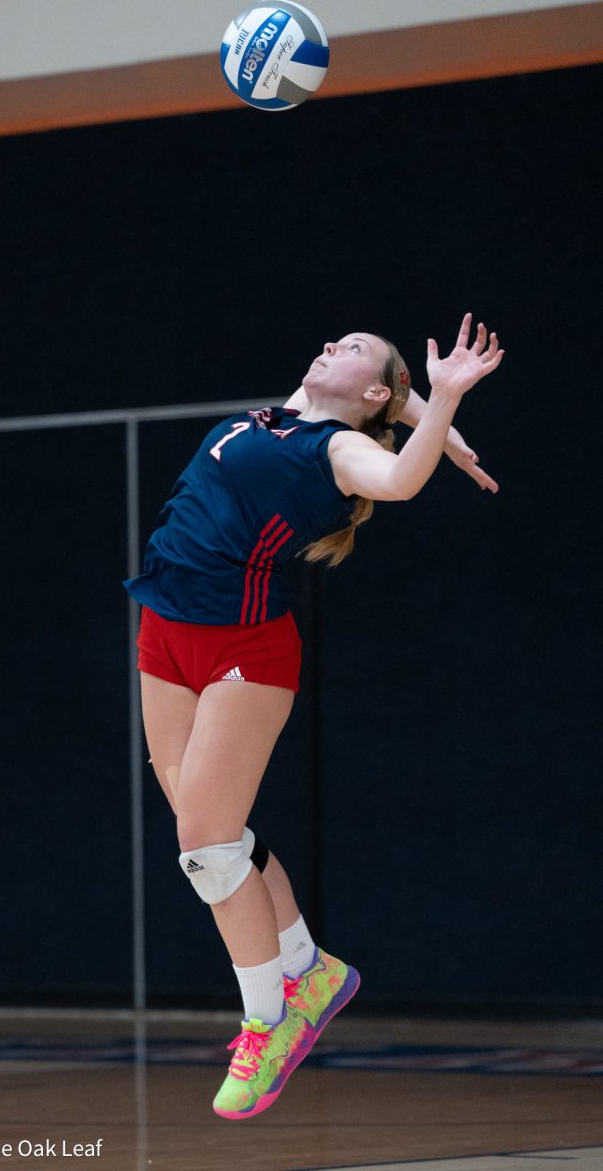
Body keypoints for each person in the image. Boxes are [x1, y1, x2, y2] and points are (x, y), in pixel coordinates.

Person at [124, 313, 504, 1120]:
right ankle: (310, 967)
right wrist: (437, 423)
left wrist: (440, 404)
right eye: (338, 339)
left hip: (244, 649)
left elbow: (399, 481)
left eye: (356, 350)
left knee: (205, 847)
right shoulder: (285, 413)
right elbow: (385, 407)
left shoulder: (335, 450)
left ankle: (271, 1020)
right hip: (163, 629)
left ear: (372, 391)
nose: (334, 343)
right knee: (210, 834)